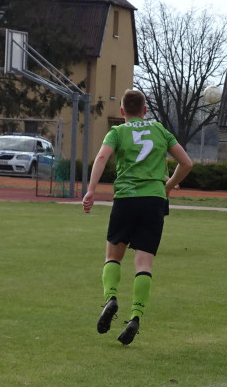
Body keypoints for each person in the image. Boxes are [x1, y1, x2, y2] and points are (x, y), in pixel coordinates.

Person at [82, 88, 193, 345]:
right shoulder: (159, 130)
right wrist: (166, 187)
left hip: (126, 198)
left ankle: (110, 298)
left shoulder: (118, 132)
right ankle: (135, 317)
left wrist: (90, 191)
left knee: (113, 256)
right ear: (145, 110)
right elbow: (186, 163)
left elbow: (101, 157)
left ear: (122, 112)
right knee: (144, 264)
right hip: (154, 201)